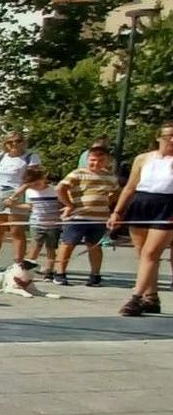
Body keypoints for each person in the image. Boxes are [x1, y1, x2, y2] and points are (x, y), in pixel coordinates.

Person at [110, 120, 173, 317]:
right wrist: (117, 212)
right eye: (168, 136)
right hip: (141, 204)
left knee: (151, 252)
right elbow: (130, 187)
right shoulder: (143, 159)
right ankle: (151, 297)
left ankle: (135, 298)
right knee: (143, 254)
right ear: (158, 138)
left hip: (167, 206)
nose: (171, 140)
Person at [57, 143, 119, 286]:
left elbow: (117, 191)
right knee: (68, 244)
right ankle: (60, 272)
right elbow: (61, 188)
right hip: (78, 216)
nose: (96, 163)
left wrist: (107, 202)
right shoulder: (78, 173)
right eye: (93, 160)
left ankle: (95, 274)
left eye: (100, 160)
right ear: (87, 159)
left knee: (94, 246)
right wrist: (69, 204)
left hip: (99, 217)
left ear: (106, 161)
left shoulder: (110, 177)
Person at [0, 131, 39, 273]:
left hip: (17, 193)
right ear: (5, 144)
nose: (14, 144)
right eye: (10, 142)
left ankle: (18, 264)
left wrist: (15, 197)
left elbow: (31, 179)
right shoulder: (0, 156)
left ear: (23, 142)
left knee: (16, 230)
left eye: (18, 141)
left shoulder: (30, 157)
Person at [7, 165, 61, 280]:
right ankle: (25, 270)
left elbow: (62, 204)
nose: (35, 187)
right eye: (32, 185)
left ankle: (49, 271)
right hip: (36, 223)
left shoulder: (55, 190)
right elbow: (31, 206)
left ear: (44, 178)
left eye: (37, 184)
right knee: (35, 246)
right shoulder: (30, 192)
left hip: (53, 225)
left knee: (51, 248)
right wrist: (14, 204)